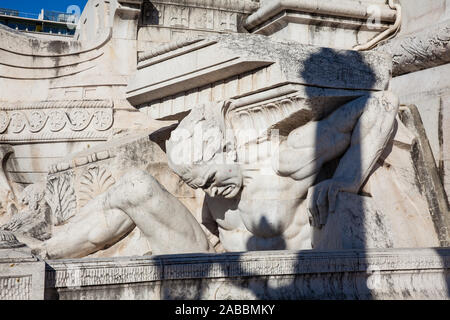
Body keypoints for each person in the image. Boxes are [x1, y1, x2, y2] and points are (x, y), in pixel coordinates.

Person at [33, 91, 398, 259]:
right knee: (135, 187)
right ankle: (48, 249)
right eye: (200, 186)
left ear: (228, 151)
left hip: (281, 281)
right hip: (212, 272)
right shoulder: (214, 197)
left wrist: (346, 179)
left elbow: (380, 105)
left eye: (210, 179)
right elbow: (205, 237)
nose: (211, 191)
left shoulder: (287, 164)